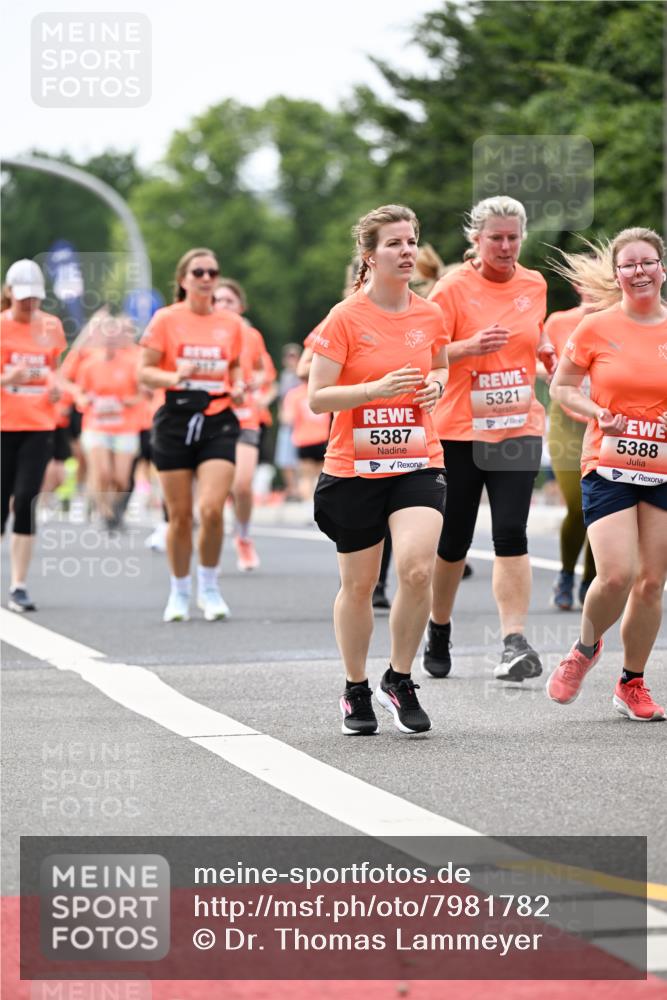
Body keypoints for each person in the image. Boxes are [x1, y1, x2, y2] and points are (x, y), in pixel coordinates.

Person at [309, 204, 449, 736]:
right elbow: (317, 398)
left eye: (411, 241)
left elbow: (440, 364)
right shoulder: (345, 317)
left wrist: (436, 384)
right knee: (360, 584)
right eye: (394, 243)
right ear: (369, 257)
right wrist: (372, 390)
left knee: (417, 568)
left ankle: (400, 677)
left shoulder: (429, 314)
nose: (407, 250)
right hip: (354, 466)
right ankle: (354, 688)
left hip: (416, 458)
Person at [422, 196, 556, 680]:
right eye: (495, 237)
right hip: (459, 430)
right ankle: (438, 626)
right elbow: (427, 355)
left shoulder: (534, 284)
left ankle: (513, 642)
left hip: (517, 426)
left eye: (513, 237)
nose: (505, 246)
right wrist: (466, 348)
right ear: (475, 240)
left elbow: (533, 333)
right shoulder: (452, 288)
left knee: (511, 534)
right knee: (453, 540)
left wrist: (546, 350)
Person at [547, 227, 666, 721]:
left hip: (661, 464)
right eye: (629, 265)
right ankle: (584, 648)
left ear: (662, 268)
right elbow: (562, 387)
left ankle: (632, 683)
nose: (639, 272)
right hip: (609, 461)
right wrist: (596, 411)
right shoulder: (596, 327)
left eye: (647, 262)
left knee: (651, 582)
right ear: (616, 275)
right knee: (616, 575)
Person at [138, 248, 244, 622]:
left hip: (218, 418)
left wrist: (240, 385)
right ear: (183, 279)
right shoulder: (166, 319)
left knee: (212, 509)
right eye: (198, 271)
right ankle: (180, 592)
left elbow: (234, 370)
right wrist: (174, 376)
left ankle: (210, 587)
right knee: (180, 516)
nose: (206, 277)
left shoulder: (230, 323)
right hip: (175, 420)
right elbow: (145, 372)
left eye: (212, 271)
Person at [1, 259, 67, 611]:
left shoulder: (52, 326)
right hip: (3, 426)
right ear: (9, 292)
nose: (29, 305)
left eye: (35, 299)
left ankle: (18, 585)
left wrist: (55, 386)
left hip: (39, 425)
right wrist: (7, 380)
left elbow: (54, 370)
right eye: (23, 298)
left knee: (26, 500)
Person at [213, 278, 274, 571]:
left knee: (243, 484)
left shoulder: (251, 335)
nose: (223, 306)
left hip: (245, 415)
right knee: (216, 487)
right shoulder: (204, 333)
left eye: (229, 301)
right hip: (212, 415)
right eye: (218, 300)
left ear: (241, 306)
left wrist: (253, 385)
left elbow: (263, 372)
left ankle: (244, 536)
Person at [543, 292, 597, 609]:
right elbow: (534, 361)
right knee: (578, 504)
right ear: (579, 283)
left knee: (602, 506)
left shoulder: (621, 321)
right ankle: (565, 574)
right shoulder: (559, 321)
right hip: (567, 420)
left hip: (607, 422)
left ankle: (591, 581)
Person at [70, 313, 143, 530]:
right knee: (101, 472)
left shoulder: (131, 363)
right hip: (96, 425)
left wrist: (126, 401)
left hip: (125, 426)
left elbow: (142, 394)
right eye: (106, 336)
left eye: (115, 337)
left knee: (121, 478)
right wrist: (85, 400)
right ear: (99, 339)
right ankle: (104, 512)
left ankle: (114, 506)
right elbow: (80, 393)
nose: (110, 341)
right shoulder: (89, 364)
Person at [275, 344, 303, 500]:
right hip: (287, 421)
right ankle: (292, 489)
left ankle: (299, 489)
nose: (291, 360)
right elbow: (282, 398)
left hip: (301, 422)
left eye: (294, 356)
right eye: (289, 357)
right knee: (285, 458)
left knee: (301, 459)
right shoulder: (285, 376)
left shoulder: (303, 375)